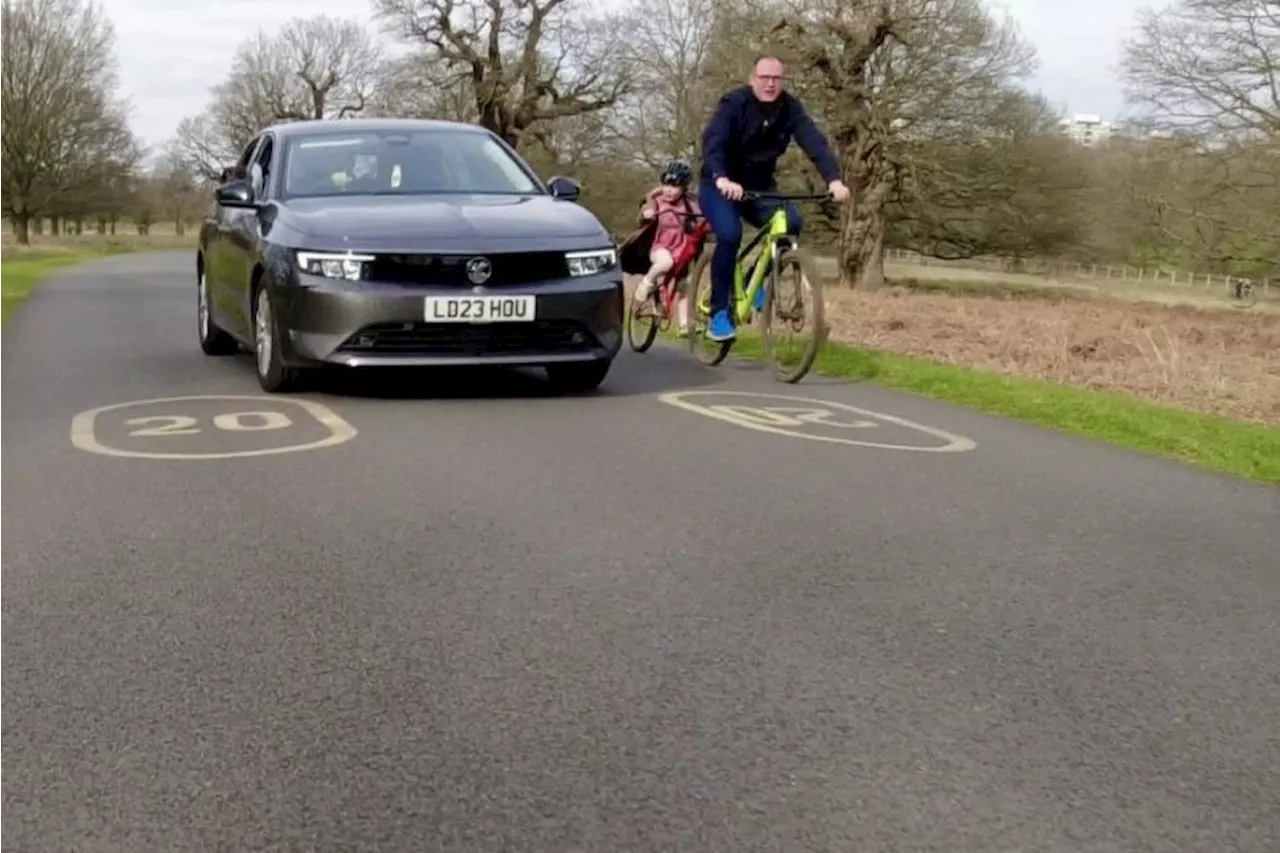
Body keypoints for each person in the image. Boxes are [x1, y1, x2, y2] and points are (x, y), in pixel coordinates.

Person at [698, 54, 850, 341]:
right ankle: (718, 313)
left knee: (791, 221)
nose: (770, 84)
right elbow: (713, 142)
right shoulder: (734, 104)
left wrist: (834, 179)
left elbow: (814, 141)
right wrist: (721, 177)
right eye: (764, 77)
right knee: (730, 235)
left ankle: (755, 283)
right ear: (752, 79)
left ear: (782, 81)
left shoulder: (790, 108)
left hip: (759, 187)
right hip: (718, 185)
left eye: (776, 78)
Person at [634, 157, 703, 335]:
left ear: (684, 188)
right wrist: (647, 214)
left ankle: (684, 325)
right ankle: (647, 283)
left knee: (684, 286)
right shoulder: (657, 200)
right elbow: (644, 211)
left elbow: (702, 219)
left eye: (675, 187)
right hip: (660, 247)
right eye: (666, 185)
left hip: (681, 250)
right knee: (665, 263)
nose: (669, 191)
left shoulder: (690, 203)